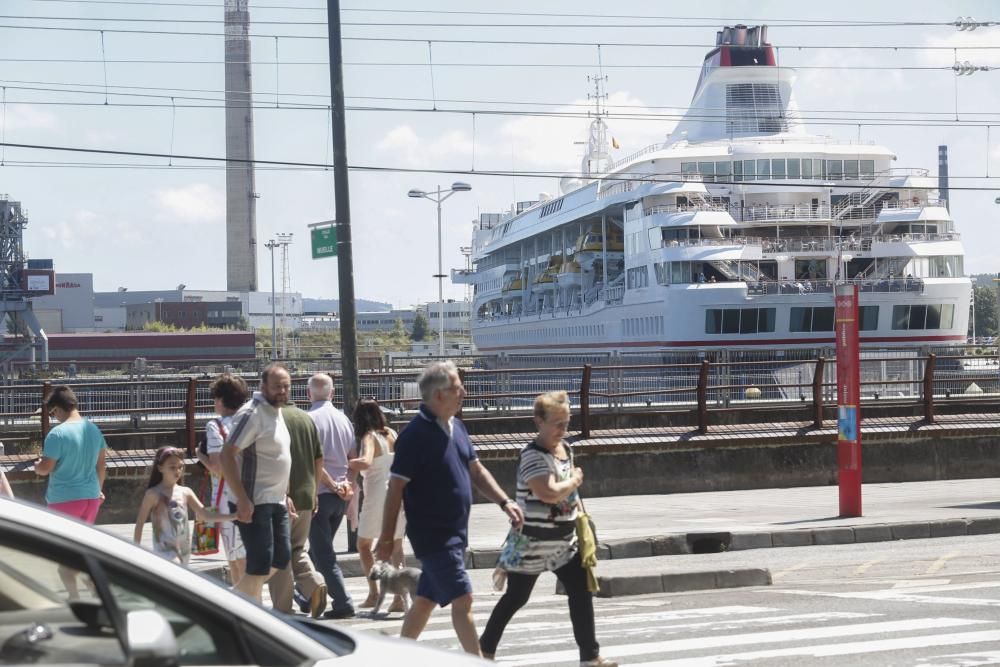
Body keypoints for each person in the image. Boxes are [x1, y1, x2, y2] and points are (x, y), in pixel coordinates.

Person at [375, 361, 524, 656]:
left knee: (425, 601)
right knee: (463, 598)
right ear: (439, 395)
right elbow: (395, 490)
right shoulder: (414, 436)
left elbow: (477, 471)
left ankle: (396, 657)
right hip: (434, 538)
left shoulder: (457, 428)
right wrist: (386, 538)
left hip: (455, 534)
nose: (463, 393)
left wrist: (504, 501)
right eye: (457, 388)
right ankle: (477, 661)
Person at [479, 391, 616, 667]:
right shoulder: (531, 455)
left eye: (566, 422)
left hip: (564, 543)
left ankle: (590, 656)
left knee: (581, 591)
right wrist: (576, 480)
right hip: (532, 542)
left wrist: (583, 520)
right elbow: (548, 493)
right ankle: (484, 650)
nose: (563, 429)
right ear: (538, 421)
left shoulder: (566, 449)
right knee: (516, 597)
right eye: (557, 423)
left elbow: (568, 496)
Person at [221, 363, 294, 603]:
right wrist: (242, 498)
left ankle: (233, 601)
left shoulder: (277, 411)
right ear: (263, 387)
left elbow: (277, 458)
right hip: (254, 500)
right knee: (260, 563)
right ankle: (230, 605)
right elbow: (226, 454)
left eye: (286, 386)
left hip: (277, 499)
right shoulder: (252, 413)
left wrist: (286, 494)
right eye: (276, 387)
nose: (282, 391)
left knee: (281, 558)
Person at [34, 385, 107, 599]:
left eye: (52, 413)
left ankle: (75, 600)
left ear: (57, 408)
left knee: (65, 558)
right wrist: (98, 490)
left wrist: (38, 466)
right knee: (81, 549)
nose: (53, 417)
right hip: (91, 498)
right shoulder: (94, 430)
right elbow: (102, 466)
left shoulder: (57, 434)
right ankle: (95, 591)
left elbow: (46, 468)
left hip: (64, 500)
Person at [268, 401, 333, 618]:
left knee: (280, 551)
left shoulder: (273, 418)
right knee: (297, 548)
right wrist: (314, 491)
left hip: (283, 494)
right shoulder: (306, 418)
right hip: (306, 493)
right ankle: (314, 583)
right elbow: (319, 458)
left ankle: (283, 607)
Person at [306, 373, 357, 619]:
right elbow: (353, 458)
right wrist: (346, 485)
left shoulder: (309, 420)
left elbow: (314, 461)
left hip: (320, 495)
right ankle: (304, 594)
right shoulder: (344, 420)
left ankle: (343, 601)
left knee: (323, 553)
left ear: (308, 394)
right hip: (340, 496)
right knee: (317, 550)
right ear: (332, 393)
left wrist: (331, 484)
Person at [133, 447, 236, 566]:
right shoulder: (153, 494)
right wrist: (137, 551)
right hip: (164, 551)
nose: (177, 471)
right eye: (172, 467)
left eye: (180, 467)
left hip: (184, 552)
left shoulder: (186, 492)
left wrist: (234, 516)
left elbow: (205, 515)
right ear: (160, 468)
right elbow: (139, 524)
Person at [350, 398, 407, 611]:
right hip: (397, 492)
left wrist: (343, 462)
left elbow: (365, 461)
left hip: (376, 495)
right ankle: (399, 598)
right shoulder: (391, 433)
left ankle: (374, 593)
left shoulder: (369, 437)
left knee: (364, 544)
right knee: (396, 545)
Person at [196, 373, 250, 586]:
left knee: (236, 559)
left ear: (220, 400)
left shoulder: (215, 426)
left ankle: (245, 604)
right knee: (246, 553)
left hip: (227, 499)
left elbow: (218, 466)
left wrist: (200, 456)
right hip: (250, 492)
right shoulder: (248, 421)